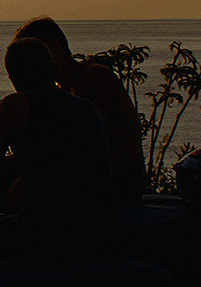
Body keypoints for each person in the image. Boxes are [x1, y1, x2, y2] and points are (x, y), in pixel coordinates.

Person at [0, 38, 113, 257]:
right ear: (54, 70)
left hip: (49, 236)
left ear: (12, 76)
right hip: (103, 234)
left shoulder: (15, 104)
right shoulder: (87, 108)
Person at [15, 17, 143, 208]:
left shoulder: (93, 78)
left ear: (52, 46)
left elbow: (75, 145)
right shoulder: (65, 90)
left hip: (116, 184)